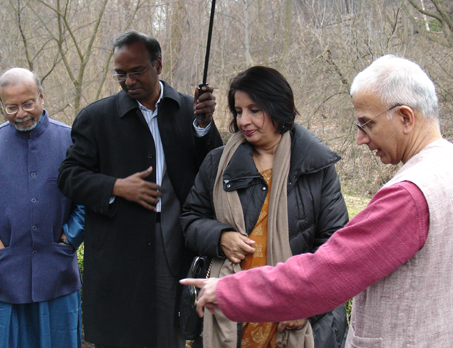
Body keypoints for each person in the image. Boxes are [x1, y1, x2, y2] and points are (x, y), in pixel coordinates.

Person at [182, 55, 453, 347]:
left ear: (405, 117)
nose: (360, 138)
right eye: (239, 111)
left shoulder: (408, 196)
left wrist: (229, 293)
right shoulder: (445, 166)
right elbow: (192, 218)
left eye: (366, 124)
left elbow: (334, 268)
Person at [57, 30, 223, 348]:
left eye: (137, 71)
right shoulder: (96, 118)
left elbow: (212, 169)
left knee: (170, 331)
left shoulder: (189, 110)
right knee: (124, 334)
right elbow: (68, 177)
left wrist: (204, 125)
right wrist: (116, 186)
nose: (129, 81)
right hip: (120, 249)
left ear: (158, 64)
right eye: (121, 74)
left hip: (176, 242)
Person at [180, 66, 348, 348]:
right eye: (238, 110)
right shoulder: (218, 163)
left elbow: (335, 247)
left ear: (278, 108)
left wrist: (307, 302)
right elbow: (190, 220)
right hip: (231, 313)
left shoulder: (316, 167)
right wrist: (219, 237)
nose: (244, 120)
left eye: (254, 110)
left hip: (294, 316)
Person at [0, 68, 85, 348]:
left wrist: (68, 239)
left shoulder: (72, 141)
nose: (21, 113)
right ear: (2, 105)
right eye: (11, 107)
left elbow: (88, 201)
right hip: (3, 281)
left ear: (41, 97)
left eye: (28, 104)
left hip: (58, 278)